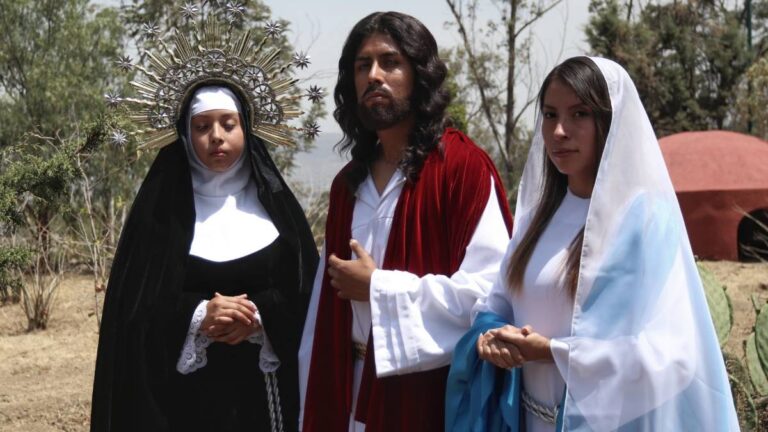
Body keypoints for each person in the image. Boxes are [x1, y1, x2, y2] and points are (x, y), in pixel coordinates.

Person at [445, 56, 739, 431]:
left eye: (579, 114)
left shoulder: (644, 222)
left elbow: (674, 354)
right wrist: (489, 337)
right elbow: (496, 304)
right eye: (550, 115)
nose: (559, 131)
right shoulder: (535, 219)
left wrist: (554, 352)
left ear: (609, 121)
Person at [90, 17, 319, 432]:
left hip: (264, 396)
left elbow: (307, 300)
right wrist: (199, 315)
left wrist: (260, 318)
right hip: (182, 402)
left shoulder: (279, 211)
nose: (216, 136)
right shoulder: (159, 219)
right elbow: (134, 318)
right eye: (202, 126)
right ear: (185, 134)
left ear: (246, 129)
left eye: (228, 124)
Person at [299, 11, 513, 432]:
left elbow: (490, 296)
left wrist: (379, 289)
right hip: (348, 394)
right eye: (363, 66)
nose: (374, 76)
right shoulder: (348, 185)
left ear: (420, 75)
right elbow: (321, 316)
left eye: (390, 63)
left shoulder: (462, 169)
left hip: (427, 399)